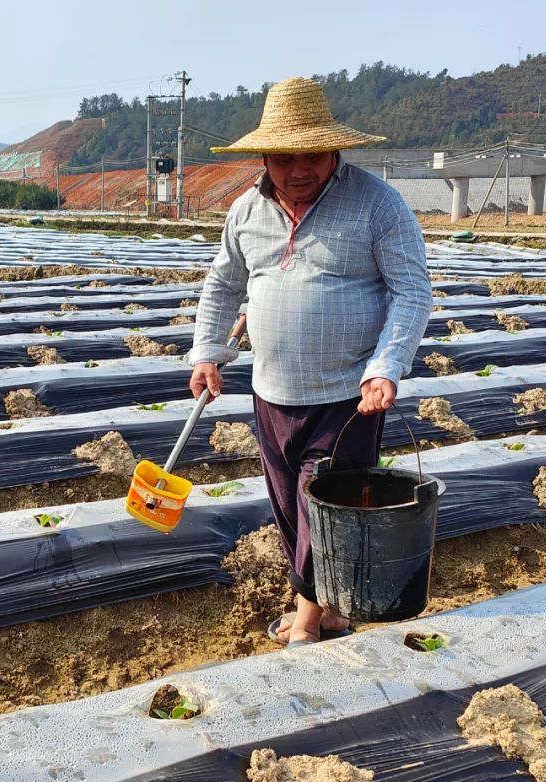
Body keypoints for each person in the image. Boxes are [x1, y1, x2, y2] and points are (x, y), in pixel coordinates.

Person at [187, 77, 431, 648]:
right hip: (271, 391)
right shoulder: (246, 209)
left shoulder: (377, 203)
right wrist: (207, 351)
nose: (299, 170)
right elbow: (222, 285)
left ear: (335, 151)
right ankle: (335, 611)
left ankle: (304, 626)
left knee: (324, 505)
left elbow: (412, 290)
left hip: (346, 396)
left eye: (312, 156)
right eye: (284, 157)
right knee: (290, 507)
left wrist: (385, 366)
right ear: (264, 157)